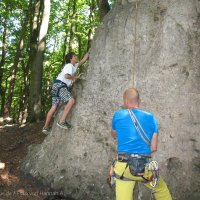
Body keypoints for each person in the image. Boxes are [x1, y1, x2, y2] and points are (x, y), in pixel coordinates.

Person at [111, 88, 172, 200]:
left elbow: (114, 134)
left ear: (125, 101)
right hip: (144, 169)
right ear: (139, 100)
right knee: (160, 189)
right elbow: (153, 147)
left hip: (124, 168)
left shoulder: (118, 115)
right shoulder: (151, 117)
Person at [42, 52, 89, 134]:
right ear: (71, 59)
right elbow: (66, 76)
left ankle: (45, 127)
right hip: (60, 85)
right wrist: (76, 77)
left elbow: (82, 61)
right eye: (74, 56)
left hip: (56, 86)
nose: (76, 57)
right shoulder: (69, 66)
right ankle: (62, 121)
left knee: (54, 106)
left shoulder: (74, 66)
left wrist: (89, 52)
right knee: (71, 100)